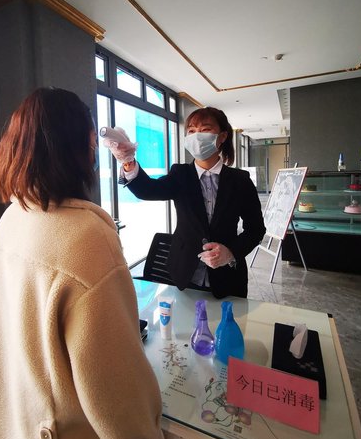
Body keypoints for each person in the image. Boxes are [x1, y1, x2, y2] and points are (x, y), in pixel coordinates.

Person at [0, 88, 164, 439]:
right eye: (92, 144)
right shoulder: (89, 237)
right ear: (80, 149)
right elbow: (112, 379)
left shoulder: (13, 217)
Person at [105, 107, 265, 299]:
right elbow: (148, 190)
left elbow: (256, 229)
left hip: (228, 276)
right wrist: (128, 160)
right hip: (183, 274)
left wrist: (230, 252)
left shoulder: (240, 180)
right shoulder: (180, 174)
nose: (197, 136)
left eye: (205, 129)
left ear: (222, 136)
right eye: (191, 130)